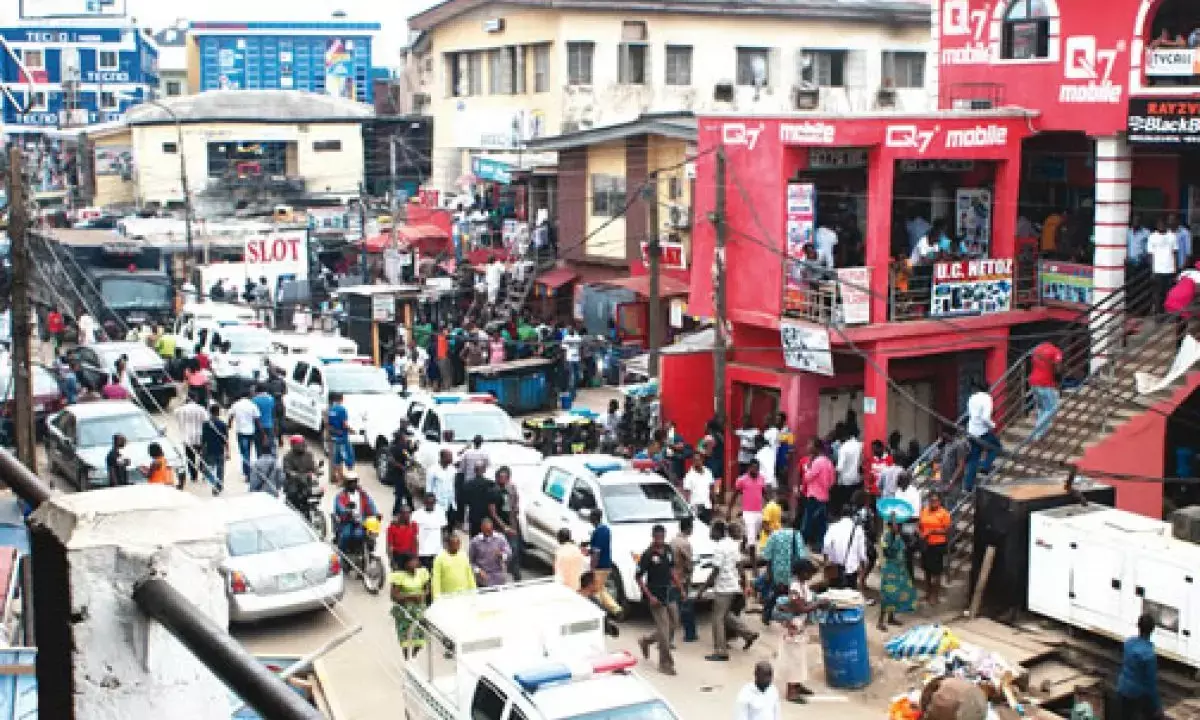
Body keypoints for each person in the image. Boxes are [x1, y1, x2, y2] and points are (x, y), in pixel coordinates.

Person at [700, 520, 758, 662]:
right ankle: (748, 634)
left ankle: (721, 651)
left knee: (717, 618)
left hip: (724, 588)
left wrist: (703, 588)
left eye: (712, 530)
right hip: (733, 585)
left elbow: (716, 571)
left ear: (718, 532)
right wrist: (744, 583)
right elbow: (740, 566)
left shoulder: (720, 547)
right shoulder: (732, 544)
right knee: (726, 615)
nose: (710, 533)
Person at [772, 559, 825, 704]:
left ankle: (797, 684)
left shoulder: (803, 585)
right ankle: (791, 691)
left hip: (800, 625)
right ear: (801, 573)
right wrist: (818, 604)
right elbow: (800, 608)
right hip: (794, 626)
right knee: (793, 658)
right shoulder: (795, 588)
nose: (810, 576)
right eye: (808, 573)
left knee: (799, 657)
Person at [635, 524, 679, 676]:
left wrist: (680, 587)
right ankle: (665, 663)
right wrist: (649, 596)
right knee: (664, 629)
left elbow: (672, 570)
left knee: (674, 623)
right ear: (653, 537)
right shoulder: (648, 554)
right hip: (655, 595)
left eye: (662, 537)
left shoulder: (668, 550)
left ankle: (646, 640)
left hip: (669, 592)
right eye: (657, 537)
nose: (660, 540)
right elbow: (638, 577)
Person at [759, 524, 810, 624]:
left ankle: (767, 615)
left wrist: (769, 572)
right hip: (792, 571)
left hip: (777, 572)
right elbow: (801, 555)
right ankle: (792, 617)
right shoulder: (796, 534)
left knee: (774, 594)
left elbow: (767, 556)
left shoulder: (774, 535)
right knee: (794, 595)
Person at [1116, 613, 1163, 720]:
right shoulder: (1149, 655)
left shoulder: (1128, 643)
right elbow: (1151, 684)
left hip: (1122, 688)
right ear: (1152, 630)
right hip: (1137, 695)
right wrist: (1158, 706)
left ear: (1138, 626)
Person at [878, 514, 917, 630]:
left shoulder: (898, 536)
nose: (898, 527)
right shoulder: (886, 537)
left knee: (897, 594)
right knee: (888, 595)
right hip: (890, 569)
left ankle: (891, 617)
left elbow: (904, 549)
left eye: (899, 525)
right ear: (891, 526)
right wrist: (894, 518)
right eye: (896, 525)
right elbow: (887, 551)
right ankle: (880, 621)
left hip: (899, 568)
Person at [389, 553, 430, 659]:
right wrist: (410, 597)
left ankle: (414, 655)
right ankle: (407, 658)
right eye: (412, 561)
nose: (415, 563)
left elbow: (427, 589)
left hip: (419, 609)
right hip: (404, 610)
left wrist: (423, 594)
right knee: (406, 637)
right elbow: (394, 596)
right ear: (405, 564)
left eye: (416, 560)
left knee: (421, 635)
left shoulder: (422, 573)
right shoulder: (399, 576)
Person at [799, 437, 835, 551]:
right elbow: (832, 480)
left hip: (814, 496)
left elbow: (807, 477)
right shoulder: (828, 461)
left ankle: (801, 546)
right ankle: (820, 546)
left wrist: (807, 466)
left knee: (807, 523)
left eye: (810, 444)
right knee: (821, 524)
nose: (808, 447)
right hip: (824, 496)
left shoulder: (817, 462)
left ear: (816, 447)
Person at [333, 472, 380, 557]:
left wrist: (376, 513)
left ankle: (364, 551)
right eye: (351, 482)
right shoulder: (340, 496)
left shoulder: (362, 494)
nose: (353, 484)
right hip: (347, 521)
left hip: (361, 520)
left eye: (355, 481)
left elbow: (371, 504)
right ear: (346, 483)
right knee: (346, 535)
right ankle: (341, 555)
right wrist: (346, 511)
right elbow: (339, 507)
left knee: (364, 535)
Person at [963, 382, 1000, 492]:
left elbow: (970, 413)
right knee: (996, 447)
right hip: (982, 431)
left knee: (973, 458)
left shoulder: (972, 397)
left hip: (971, 430)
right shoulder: (987, 398)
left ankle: (968, 486)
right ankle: (985, 465)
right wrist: (993, 425)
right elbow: (985, 417)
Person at [823, 505, 867, 589]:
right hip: (852, 570)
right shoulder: (858, 529)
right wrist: (862, 573)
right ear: (852, 516)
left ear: (841, 514)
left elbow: (826, 547)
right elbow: (862, 554)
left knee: (834, 596)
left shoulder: (832, 527)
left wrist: (826, 564)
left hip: (834, 569)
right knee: (849, 599)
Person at [919, 493, 952, 605]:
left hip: (937, 544)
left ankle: (935, 595)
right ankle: (927, 593)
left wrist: (932, 531)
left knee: (936, 572)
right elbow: (920, 524)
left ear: (940, 501)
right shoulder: (924, 510)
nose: (933, 503)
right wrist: (920, 533)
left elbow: (947, 530)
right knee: (926, 570)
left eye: (936, 501)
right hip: (925, 544)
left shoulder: (944, 514)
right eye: (931, 500)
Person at [588, 508, 622, 615]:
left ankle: (610, 610)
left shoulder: (597, 532)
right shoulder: (606, 529)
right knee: (600, 589)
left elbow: (597, 552)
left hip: (600, 566)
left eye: (590, 517)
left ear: (594, 518)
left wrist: (592, 567)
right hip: (607, 564)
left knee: (597, 590)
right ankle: (614, 609)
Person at [492, 466, 522, 581]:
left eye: (506, 477)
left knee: (514, 549)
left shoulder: (512, 488)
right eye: (501, 477)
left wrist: (516, 507)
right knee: (499, 550)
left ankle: (515, 572)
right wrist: (503, 526)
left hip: (512, 523)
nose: (503, 480)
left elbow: (516, 500)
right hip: (499, 526)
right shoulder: (494, 491)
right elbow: (493, 512)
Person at [1029, 342, 1064, 441]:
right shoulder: (1056, 351)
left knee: (1042, 408)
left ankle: (1040, 434)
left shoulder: (1037, 349)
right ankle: (1037, 432)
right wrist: (1058, 380)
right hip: (1045, 383)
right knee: (1052, 409)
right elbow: (1058, 368)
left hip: (1033, 381)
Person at [670, 516, 698, 643]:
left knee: (674, 606)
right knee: (686, 607)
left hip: (672, 578)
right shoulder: (685, 544)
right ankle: (690, 634)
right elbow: (688, 563)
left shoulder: (672, 541)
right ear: (689, 529)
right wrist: (690, 574)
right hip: (681, 579)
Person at [729, 460, 767, 550]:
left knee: (753, 532)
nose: (755, 470)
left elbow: (764, 492)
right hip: (747, 512)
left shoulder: (762, 479)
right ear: (749, 468)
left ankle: (743, 543)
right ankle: (753, 563)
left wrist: (770, 504)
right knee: (752, 540)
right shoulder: (742, 480)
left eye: (757, 468)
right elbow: (734, 495)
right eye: (753, 467)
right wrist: (729, 510)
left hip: (758, 511)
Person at [174, 394, 209, 488]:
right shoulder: (201, 409)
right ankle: (203, 471)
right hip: (199, 437)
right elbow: (207, 421)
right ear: (196, 398)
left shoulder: (180, 410)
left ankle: (194, 476)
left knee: (190, 457)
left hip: (187, 438)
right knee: (202, 456)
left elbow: (175, 414)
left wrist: (182, 403)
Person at [431, 533, 476, 599]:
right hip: (447, 596)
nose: (457, 546)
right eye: (454, 544)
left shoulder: (464, 555)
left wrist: (473, 592)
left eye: (458, 544)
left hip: (464, 595)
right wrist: (436, 597)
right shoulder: (439, 558)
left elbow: (470, 575)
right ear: (448, 545)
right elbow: (436, 579)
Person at [229, 392, 261, 482]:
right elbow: (257, 419)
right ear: (249, 396)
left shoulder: (236, 405)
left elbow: (230, 416)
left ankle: (247, 472)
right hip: (251, 431)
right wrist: (262, 432)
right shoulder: (252, 405)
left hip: (240, 432)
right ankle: (247, 470)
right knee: (248, 452)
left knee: (244, 452)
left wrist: (229, 425)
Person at [469, 517, 510, 588]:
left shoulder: (500, 538)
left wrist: (502, 555)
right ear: (481, 528)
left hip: (499, 579)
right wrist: (478, 570)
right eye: (485, 531)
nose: (488, 534)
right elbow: (470, 562)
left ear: (492, 528)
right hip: (483, 580)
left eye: (489, 531)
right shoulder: (475, 542)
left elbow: (509, 555)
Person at [1148, 217, 1178, 313]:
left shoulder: (1172, 236)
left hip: (1170, 270)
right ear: (1157, 226)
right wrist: (1152, 271)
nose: (1161, 226)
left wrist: (1175, 269)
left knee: (1169, 294)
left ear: (1166, 225)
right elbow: (1150, 255)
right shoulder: (1152, 236)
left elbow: (1175, 253)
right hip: (1158, 270)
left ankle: (1168, 313)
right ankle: (1158, 313)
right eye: (1159, 224)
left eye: (1163, 224)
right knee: (1158, 294)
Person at [282, 435, 318, 511]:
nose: (303, 445)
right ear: (293, 445)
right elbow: (287, 470)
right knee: (293, 494)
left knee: (318, 490)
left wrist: (316, 471)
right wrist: (293, 474)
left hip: (307, 481)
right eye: (300, 444)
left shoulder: (309, 455)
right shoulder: (287, 457)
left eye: (303, 443)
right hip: (294, 482)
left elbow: (313, 466)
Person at [412, 493, 446, 572]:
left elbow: (444, 531)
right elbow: (413, 533)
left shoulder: (440, 513)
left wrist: (444, 548)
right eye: (428, 503)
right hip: (423, 551)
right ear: (424, 502)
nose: (430, 505)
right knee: (424, 575)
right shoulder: (416, 515)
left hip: (437, 551)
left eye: (432, 503)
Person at [461, 463, 498, 537]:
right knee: (488, 540)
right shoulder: (490, 484)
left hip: (474, 517)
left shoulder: (467, 485)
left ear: (474, 470)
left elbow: (464, 502)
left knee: (475, 540)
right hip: (487, 518)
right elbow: (494, 501)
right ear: (484, 470)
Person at [384, 428, 414, 514]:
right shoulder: (394, 448)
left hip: (402, 473)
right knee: (401, 493)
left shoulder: (404, 447)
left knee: (405, 492)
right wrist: (402, 467)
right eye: (404, 437)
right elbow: (391, 461)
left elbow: (409, 454)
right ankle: (396, 511)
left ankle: (410, 508)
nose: (406, 439)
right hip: (396, 473)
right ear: (400, 439)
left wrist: (413, 447)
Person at [426, 449, 458, 528]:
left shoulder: (452, 469)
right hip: (438, 502)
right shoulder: (432, 470)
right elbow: (429, 487)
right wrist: (430, 503)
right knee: (439, 525)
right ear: (442, 458)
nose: (451, 459)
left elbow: (453, 485)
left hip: (450, 502)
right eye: (449, 457)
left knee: (451, 523)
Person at [834, 429, 863, 517]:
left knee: (845, 504)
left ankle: (845, 519)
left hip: (845, 481)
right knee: (855, 503)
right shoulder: (860, 445)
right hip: (857, 479)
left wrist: (835, 481)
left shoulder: (844, 448)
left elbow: (839, 468)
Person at [327, 392, 354, 483]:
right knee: (348, 458)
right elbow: (344, 424)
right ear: (341, 399)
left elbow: (329, 424)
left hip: (335, 437)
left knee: (337, 459)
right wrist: (352, 430)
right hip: (343, 437)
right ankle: (351, 479)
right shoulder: (342, 410)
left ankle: (340, 480)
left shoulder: (331, 410)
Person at [683, 453, 715, 524]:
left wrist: (713, 505)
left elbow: (712, 489)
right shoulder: (689, 476)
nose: (697, 462)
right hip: (695, 507)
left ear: (702, 460)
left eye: (698, 460)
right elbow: (686, 495)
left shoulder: (708, 472)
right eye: (695, 460)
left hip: (707, 506)